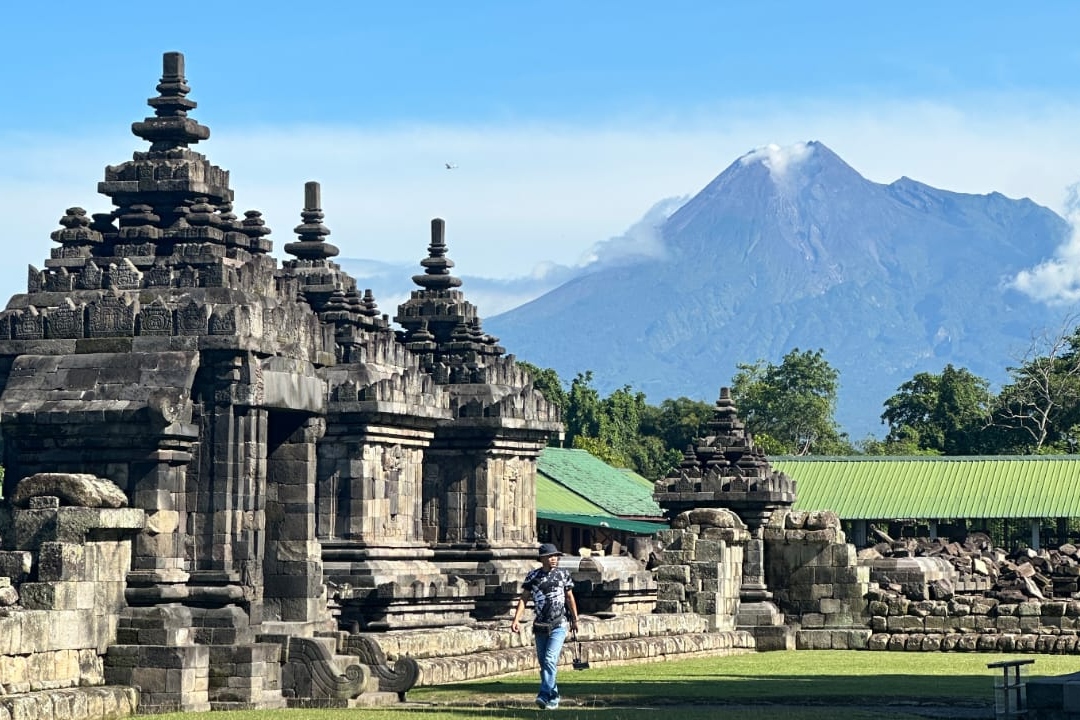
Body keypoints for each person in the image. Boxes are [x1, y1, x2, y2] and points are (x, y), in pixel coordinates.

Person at [511, 543, 579, 710]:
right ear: (542, 558)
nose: (554, 559)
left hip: (559, 623)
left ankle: (544, 694)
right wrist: (516, 619)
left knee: (549, 659)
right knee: (544, 663)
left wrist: (575, 619)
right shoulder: (533, 576)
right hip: (540, 625)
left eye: (555, 556)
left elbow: (569, 597)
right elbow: (524, 599)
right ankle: (554, 696)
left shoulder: (563, 575)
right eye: (550, 556)